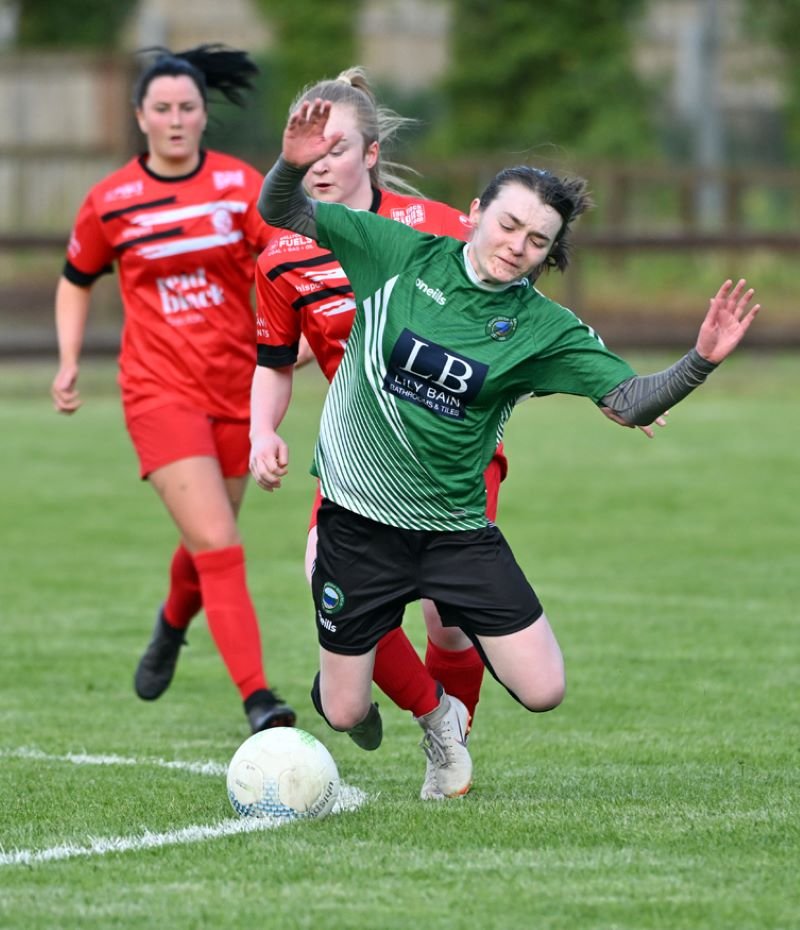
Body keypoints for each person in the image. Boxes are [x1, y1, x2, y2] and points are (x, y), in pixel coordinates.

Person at [260, 101, 744, 803]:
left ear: (550, 255)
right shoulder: (398, 253)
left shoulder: (543, 327)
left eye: (538, 240)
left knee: (546, 689)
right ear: (475, 211)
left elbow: (631, 400)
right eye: (509, 223)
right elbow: (282, 209)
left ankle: (443, 729)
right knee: (343, 712)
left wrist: (699, 360)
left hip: (456, 534)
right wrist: (293, 162)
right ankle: (403, 705)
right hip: (356, 524)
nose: (517, 244)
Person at [249, 68, 496, 800]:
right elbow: (275, 357)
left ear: (372, 153)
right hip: (359, 457)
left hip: (455, 455)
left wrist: (615, 389)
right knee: (323, 578)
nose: (321, 164)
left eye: (336, 148)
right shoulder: (285, 252)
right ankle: (434, 717)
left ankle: (449, 733)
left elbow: (518, 295)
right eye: (307, 151)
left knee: (448, 620)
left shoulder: (441, 229)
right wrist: (264, 429)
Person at [50, 44, 296, 734]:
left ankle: (169, 625)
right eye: (162, 108)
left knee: (207, 540)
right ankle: (259, 700)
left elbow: (283, 263)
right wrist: (68, 360)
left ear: (202, 116)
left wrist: (297, 338)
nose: (177, 118)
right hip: (158, 393)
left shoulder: (239, 185)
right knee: (219, 543)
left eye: (188, 107)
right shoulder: (111, 201)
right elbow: (75, 282)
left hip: (237, 390)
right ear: (141, 117)